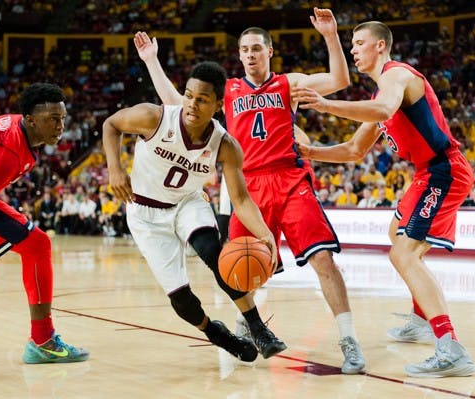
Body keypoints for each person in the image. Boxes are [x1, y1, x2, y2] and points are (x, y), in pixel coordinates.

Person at [134, 6, 366, 375]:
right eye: (244, 50)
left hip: (290, 178)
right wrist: (151, 61)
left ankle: (349, 339)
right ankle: (249, 325)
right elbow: (177, 103)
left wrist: (330, 36)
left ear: (269, 51)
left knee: (323, 259)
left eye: (257, 48)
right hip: (248, 185)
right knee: (239, 266)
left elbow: (339, 78)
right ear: (239, 55)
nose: (250, 55)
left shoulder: (289, 83)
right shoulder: (227, 92)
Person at [292, 21, 475, 378]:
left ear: (380, 46)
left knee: (403, 253)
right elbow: (352, 150)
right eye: (352, 44)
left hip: (444, 170)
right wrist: (308, 151)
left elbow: (383, 110)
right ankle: (423, 319)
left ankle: (451, 347)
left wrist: (326, 105)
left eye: (359, 43)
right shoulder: (379, 98)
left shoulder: (397, 77)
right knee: (398, 236)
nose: (354, 50)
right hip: (427, 173)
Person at [102, 61, 286, 362]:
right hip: (145, 214)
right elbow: (111, 124)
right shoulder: (154, 118)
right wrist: (115, 168)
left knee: (216, 254)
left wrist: (265, 234)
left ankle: (258, 327)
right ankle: (216, 332)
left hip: (187, 202)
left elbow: (240, 200)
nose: (192, 104)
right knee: (181, 299)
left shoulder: (225, 145)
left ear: (216, 105)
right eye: (188, 95)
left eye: (201, 99)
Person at [0, 82, 89, 364]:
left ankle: (42, 340)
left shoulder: (20, 133)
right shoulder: (8, 150)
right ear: (30, 120)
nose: (60, 125)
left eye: (62, 118)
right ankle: (43, 340)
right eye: (52, 119)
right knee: (36, 244)